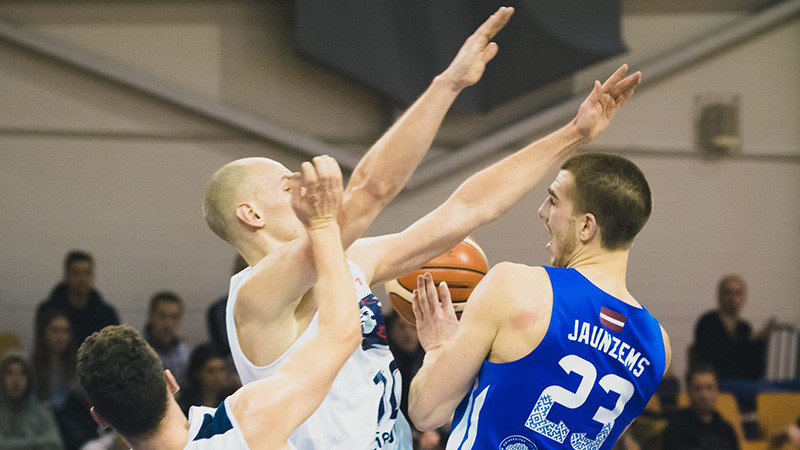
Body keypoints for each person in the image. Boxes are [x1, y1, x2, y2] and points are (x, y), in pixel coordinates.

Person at [203, 6, 641, 448]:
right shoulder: (254, 298)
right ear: (251, 214)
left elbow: (469, 209)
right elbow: (372, 190)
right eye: (285, 183)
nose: (302, 183)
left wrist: (574, 133)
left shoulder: (348, 261)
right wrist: (447, 83)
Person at [77, 157, 364, 448]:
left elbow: (342, 335)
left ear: (100, 418)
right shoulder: (244, 423)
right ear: (170, 382)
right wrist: (324, 224)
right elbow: (341, 335)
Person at [408, 152, 671, 449]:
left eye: (554, 200)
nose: (542, 211)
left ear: (587, 227)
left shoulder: (515, 286)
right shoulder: (658, 346)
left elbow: (426, 413)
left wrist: (438, 347)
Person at [695, 274, 775, 382]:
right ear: (719, 296)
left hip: (744, 382)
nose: (732, 298)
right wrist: (752, 341)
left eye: (737, 293)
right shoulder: (707, 322)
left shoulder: (744, 328)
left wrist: (760, 341)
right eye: (728, 293)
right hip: (716, 382)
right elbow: (716, 360)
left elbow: (755, 369)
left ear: (744, 298)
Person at [36, 250, 119, 347]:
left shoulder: (107, 314)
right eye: (76, 273)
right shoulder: (47, 312)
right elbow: (42, 350)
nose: (82, 279)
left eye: (87, 273)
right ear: (66, 276)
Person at [663, 363, 739, 450]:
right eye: (698, 388)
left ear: (717, 391)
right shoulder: (676, 427)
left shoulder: (726, 430)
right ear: (689, 391)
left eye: (709, 388)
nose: (704, 395)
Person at [0, 351, 64, 450]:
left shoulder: (42, 413)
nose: (15, 380)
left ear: (29, 379)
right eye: (10, 373)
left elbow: (55, 444)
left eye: (21, 373)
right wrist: (34, 443)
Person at [31, 308, 77, 410]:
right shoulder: (31, 365)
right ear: (44, 333)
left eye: (65, 331)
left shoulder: (77, 365)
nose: (61, 337)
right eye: (55, 331)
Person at [144, 290, 191, 386]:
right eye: (162, 316)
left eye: (174, 317)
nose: (168, 324)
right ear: (150, 316)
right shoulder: (140, 351)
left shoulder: (185, 353)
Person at [178, 343, 236, 415]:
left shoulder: (233, 399)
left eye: (221, 370)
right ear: (197, 374)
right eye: (210, 371)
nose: (218, 376)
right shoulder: (185, 403)